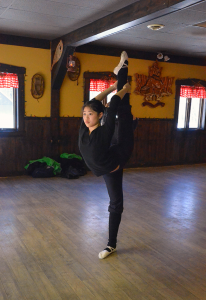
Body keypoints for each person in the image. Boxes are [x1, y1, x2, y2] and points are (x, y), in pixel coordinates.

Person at [78, 51, 134, 259]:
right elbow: (95, 100)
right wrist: (112, 87)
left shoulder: (104, 128)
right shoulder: (84, 129)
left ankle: (111, 244)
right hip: (108, 164)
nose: (86, 117)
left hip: (120, 154)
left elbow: (112, 105)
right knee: (121, 103)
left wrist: (123, 90)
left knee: (124, 110)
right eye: (84, 113)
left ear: (99, 116)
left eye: (90, 114)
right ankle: (121, 72)